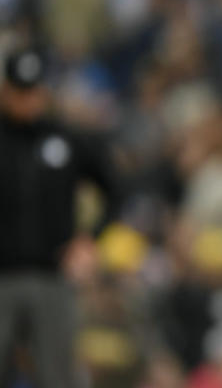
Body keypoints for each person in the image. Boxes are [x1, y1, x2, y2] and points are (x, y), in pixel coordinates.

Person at [0, 47, 118, 388]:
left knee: (57, 376)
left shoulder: (65, 138)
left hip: (52, 276)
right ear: (6, 90)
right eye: (20, 91)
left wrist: (90, 239)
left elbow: (114, 188)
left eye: (33, 90)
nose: (27, 100)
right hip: (0, 275)